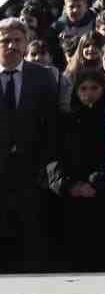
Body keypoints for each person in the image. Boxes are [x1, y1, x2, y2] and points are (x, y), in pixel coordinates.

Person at [0, 17, 59, 272]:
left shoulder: (43, 76)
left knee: (32, 235)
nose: (11, 46)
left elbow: (52, 124)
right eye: (5, 41)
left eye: (17, 40)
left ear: (26, 44)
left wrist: (45, 166)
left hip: (31, 170)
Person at [48, 63, 105, 272]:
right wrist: (69, 185)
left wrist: (99, 182)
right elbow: (54, 156)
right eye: (83, 89)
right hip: (72, 195)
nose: (89, 94)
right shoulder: (65, 120)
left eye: (94, 88)